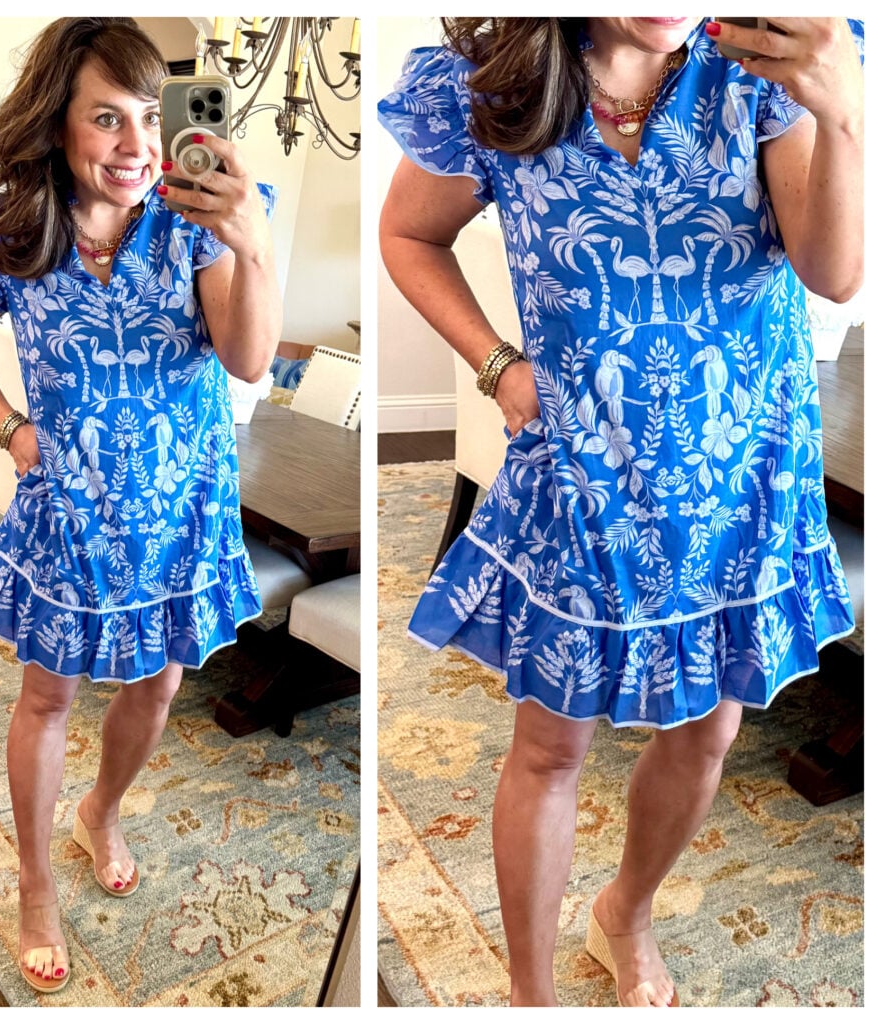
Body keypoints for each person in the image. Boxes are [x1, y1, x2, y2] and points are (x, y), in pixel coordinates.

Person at [379, 17, 862, 1008]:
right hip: (583, 473)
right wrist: (496, 364)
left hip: (741, 467)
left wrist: (844, 116)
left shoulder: (763, 67)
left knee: (706, 734)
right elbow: (408, 234)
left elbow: (833, 273)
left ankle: (625, 915)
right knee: (550, 747)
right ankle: (532, 997)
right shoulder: (488, 83)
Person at [0, 17, 280, 993]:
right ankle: (36, 882)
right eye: (108, 119)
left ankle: (101, 811)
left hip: (184, 499)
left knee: (157, 686)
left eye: (151, 118)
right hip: (70, 505)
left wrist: (251, 245)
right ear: (57, 124)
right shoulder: (9, 231)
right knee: (48, 695)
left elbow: (249, 360)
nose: (137, 145)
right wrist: (11, 427)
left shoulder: (192, 220)